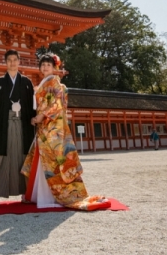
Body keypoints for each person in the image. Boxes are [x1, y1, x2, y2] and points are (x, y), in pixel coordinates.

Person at [21, 53, 110, 211]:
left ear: (54, 67)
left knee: (54, 160)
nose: (45, 67)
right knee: (42, 160)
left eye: (48, 64)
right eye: (42, 65)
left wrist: (41, 115)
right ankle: (38, 194)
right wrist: (35, 118)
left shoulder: (55, 83)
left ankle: (55, 195)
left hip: (52, 128)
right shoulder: (41, 84)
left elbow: (57, 104)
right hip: (43, 127)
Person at [0, 49, 35, 207]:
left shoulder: (26, 83)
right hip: (3, 126)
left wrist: (35, 118)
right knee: (0, 158)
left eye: (15, 59)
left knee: (23, 157)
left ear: (19, 62)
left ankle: (26, 193)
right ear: (5, 63)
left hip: (23, 124)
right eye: (9, 60)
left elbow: (33, 106)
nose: (12, 62)